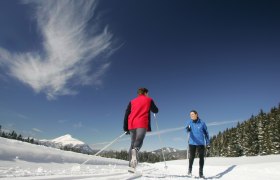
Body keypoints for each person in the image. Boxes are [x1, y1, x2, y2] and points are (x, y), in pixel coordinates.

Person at [123, 88, 159, 170]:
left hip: (131, 124)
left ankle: (131, 166)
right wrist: (154, 109)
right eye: (148, 93)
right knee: (139, 140)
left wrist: (125, 128)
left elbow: (126, 113)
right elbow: (155, 110)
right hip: (141, 123)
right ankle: (135, 151)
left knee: (132, 143)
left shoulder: (132, 101)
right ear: (145, 93)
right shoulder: (149, 100)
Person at [185, 110, 210, 178]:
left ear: (196, 115)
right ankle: (189, 170)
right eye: (190, 115)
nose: (191, 116)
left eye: (192, 114)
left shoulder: (202, 123)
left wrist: (208, 143)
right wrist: (188, 129)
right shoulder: (189, 122)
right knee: (191, 157)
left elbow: (206, 133)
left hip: (200, 143)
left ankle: (201, 173)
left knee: (201, 158)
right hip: (192, 142)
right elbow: (186, 129)